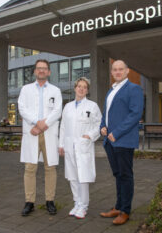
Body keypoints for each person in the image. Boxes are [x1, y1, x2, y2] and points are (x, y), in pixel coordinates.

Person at [99, 60, 144, 225]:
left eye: (121, 69)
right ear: (112, 72)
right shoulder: (111, 90)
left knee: (125, 176)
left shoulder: (134, 89)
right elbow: (106, 113)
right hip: (110, 141)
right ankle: (118, 207)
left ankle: (125, 211)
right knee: (118, 175)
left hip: (123, 140)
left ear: (127, 71)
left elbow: (135, 114)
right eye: (115, 70)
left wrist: (116, 133)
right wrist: (102, 127)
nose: (118, 72)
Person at [18, 59, 62, 216]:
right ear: (35, 72)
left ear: (49, 72)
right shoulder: (26, 89)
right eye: (39, 68)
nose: (41, 71)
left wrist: (42, 125)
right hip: (32, 132)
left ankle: (50, 201)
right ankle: (29, 202)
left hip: (48, 133)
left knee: (50, 168)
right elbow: (22, 108)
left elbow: (57, 111)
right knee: (30, 168)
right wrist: (36, 123)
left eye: (44, 68)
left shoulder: (56, 91)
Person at [58, 77, 101, 219]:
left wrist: (90, 135)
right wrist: (61, 144)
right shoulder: (68, 106)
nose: (81, 89)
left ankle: (84, 206)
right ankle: (76, 202)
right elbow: (63, 126)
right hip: (69, 146)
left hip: (83, 146)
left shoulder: (92, 106)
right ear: (75, 88)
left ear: (87, 90)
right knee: (72, 177)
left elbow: (99, 125)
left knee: (83, 177)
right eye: (79, 86)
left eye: (84, 87)